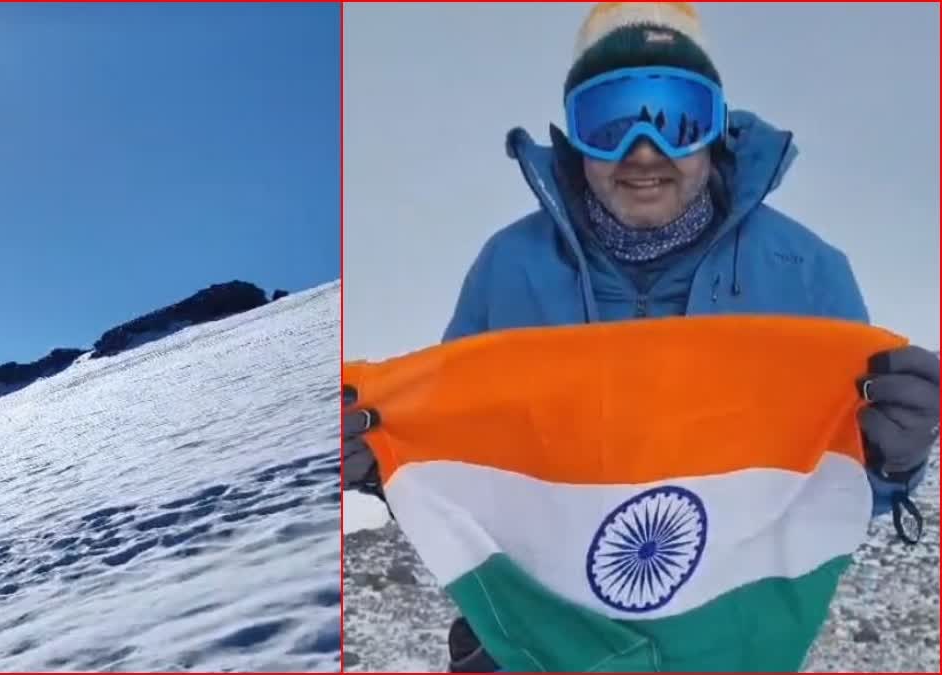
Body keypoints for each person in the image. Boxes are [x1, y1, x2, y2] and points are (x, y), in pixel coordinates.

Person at [342, 2, 939, 671]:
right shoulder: (508, 270)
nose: (645, 151)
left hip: (721, 645)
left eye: (676, 116)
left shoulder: (807, 276)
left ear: (714, 128)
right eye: (612, 121)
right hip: (535, 649)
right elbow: (461, 474)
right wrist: (384, 461)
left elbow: (839, 492)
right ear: (574, 135)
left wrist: (894, 457)